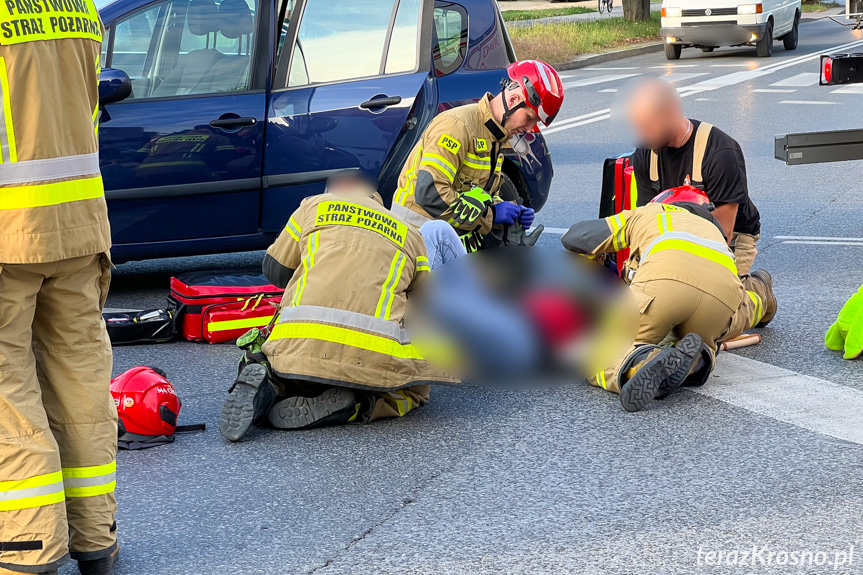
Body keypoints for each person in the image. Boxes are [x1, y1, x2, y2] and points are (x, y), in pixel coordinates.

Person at [0, 2, 119, 574]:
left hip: (7, 235)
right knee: (81, 383)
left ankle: (27, 546)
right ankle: (96, 537)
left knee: (7, 394)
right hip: (78, 227)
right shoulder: (77, 8)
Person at [219, 171, 460, 441]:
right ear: (375, 196)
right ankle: (358, 405)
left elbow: (275, 270)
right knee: (413, 391)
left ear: (330, 190)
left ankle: (269, 384)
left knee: (285, 361)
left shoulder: (313, 205)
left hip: (300, 340)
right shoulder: (410, 233)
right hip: (372, 354)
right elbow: (423, 297)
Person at [561, 186, 777, 412]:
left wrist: (598, 262)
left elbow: (577, 237)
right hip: (720, 300)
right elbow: (744, 307)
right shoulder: (715, 235)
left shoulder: (651, 212)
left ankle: (639, 363)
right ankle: (696, 361)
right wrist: (762, 289)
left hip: (665, 285)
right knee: (704, 328)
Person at [391, 60, 565, 253]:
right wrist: (491, 215)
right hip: (417, 240)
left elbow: (478, 194)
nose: (529, 128)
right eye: (531, 117)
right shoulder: (457, 126)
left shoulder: (495, 136)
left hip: (448, 241)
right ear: (514, 100)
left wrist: (508, 210)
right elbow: (431, 195)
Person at [623, 77, 762, 275]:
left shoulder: (719, 152)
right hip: (673, 233)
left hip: (731, 237)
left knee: (715, 300)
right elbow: (646, 219)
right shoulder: (646, 152)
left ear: (670, 115)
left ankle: (758, 290)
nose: (642, 135)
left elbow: (724, 234)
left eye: (647, 126)